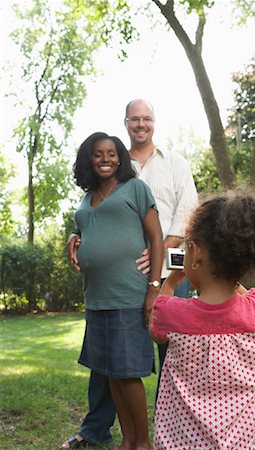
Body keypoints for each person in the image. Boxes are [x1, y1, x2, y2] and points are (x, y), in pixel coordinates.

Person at [64, 99, 198, 448]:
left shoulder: (175, 165)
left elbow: (187, 219)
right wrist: (79, 238)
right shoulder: (106, 177)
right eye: (135, 119)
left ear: (154, 122)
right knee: (109, 366)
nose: (141, 124)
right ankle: (101, 429)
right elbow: (100, 220)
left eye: (147, 118)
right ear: (126, 123)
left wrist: (158, 263)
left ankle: (172, 431)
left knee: (170, 360)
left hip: (168, 272)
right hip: (106, 289)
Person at [149, 187, 255, 449]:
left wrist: (170, 282)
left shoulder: (172, 313)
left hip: (186, 441)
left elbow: (155, 327)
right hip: (249, 439)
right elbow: (239, 295)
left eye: (187, 248)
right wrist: (231, 276)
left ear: (196, 253)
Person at [62, 132, 163, 450]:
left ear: (120, 158)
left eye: (111, 153)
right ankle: (128, 440)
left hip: (128, 295)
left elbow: (156, 239)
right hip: (96, 297)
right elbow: (89, 228)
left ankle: (142, 443)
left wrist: (154, 288)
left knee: (127, 373)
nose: (105, 158)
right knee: (111, 374)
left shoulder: (135, 188)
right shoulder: (86, 196)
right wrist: (73, 237)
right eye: (97, 153)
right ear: (88, 160)